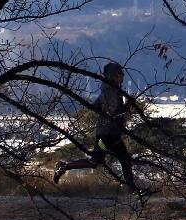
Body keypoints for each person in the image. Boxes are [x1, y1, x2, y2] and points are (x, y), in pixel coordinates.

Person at [54, 62, 142, 192]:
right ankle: (131, 188)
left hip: (107, 135)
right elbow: (114, 113)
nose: (123, 76)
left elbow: (96, 106)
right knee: (118, 159)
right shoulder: (113, 91)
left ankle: (64, 166)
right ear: (114, 75)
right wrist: (128, 106)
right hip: (108, 135)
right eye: (120, 73)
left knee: (102, 160)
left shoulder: (106, 90)